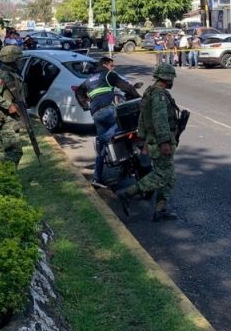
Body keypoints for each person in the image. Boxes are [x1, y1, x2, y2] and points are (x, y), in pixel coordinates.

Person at [117, 63, 180, 222]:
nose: (172, 81)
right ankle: (127, 193)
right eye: (171, 78)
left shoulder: (149, 92)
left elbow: (143, 119)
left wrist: (143, 138)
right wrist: (165, 142)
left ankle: (160, 209)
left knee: (169, 177)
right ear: (166, 78)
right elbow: (160, 121)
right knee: (162, 175)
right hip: (160, 142)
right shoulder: (158, 95)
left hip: (153, 140)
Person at [75, 55, 141, 185]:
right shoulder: (108, 75)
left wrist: (85, 105)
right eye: (112, 65)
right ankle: (126, 158)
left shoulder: (89, 80)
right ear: (105, 65)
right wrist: (138, 97)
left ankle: (97, 178)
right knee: (123, 131)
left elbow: (78, 91)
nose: (113, 68)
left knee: (102, 143)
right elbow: (126, 86)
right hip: (108, 110)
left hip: (96, 114)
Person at [0, 45, 28, 166]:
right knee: (13, 152)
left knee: (12, 151)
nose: (21, 62)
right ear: (12, 60)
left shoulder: (13, 74)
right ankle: (6, 177)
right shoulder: (1, 75)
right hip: (6, 118)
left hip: (13, 118)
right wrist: (8, 105)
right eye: (19, 59)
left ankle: (7, 176)